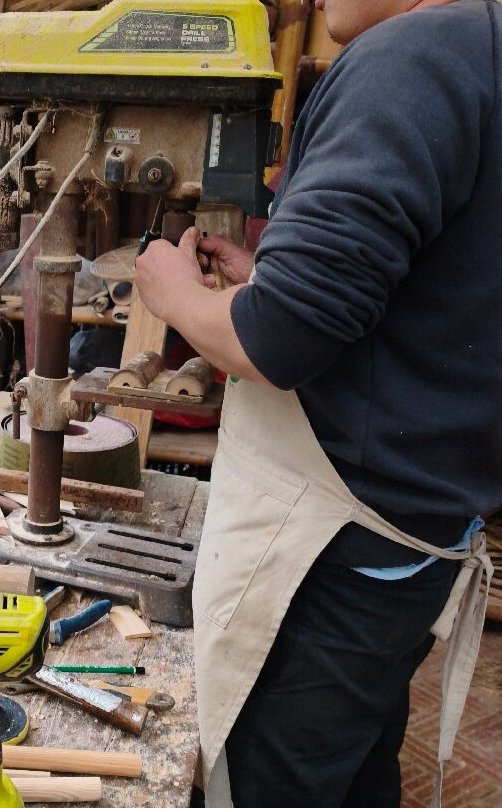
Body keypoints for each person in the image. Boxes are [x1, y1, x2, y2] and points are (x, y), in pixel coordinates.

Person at [134, 1, 498, 806]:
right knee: (355, 768)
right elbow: (448, 289)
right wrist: (281, 269)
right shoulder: (484, 50)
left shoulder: (412, 61)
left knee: (271, 782)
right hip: (414, 532)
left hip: (331, 553)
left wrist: (175, 296)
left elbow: (278, 342)